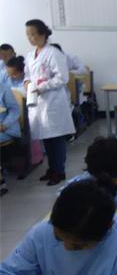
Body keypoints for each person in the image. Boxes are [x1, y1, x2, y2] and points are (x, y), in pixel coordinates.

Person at [23, 19, 75, 186]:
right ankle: (52, 168)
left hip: (53, 101)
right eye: (27, 35)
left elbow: (62, 77)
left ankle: (59, 171)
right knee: (46, 138)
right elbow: (27, 74)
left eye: (32, 34)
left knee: (56, 138)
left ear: (42, 34)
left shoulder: (53, 53)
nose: (30, 38)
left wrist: (42, 87)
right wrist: (27, 82)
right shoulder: (30, 55)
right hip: (38, 103)